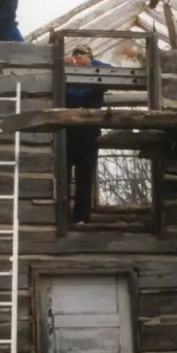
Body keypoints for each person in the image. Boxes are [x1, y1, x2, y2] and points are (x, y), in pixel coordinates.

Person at [63, 44, 111, 224]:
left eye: (83, 55)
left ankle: (81, 217)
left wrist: (90, 63)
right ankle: (62, 214)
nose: (79, 58)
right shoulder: (67, 73)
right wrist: (64, 63)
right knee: (63, 173)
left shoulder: (98, 70)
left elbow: (111, 71)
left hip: (89, 129)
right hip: (67, 128)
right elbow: (72, 97)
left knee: (85, 174)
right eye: (76, 55)